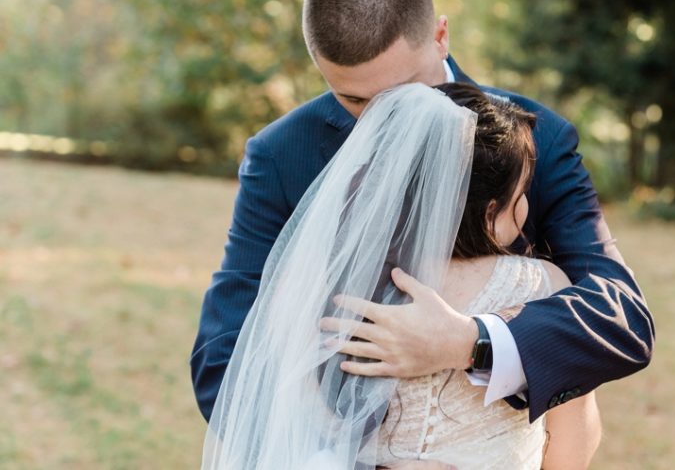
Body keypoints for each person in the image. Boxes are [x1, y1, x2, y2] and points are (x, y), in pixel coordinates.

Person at [191, 0, 653, 445]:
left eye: (406, 91)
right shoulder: (282, 154)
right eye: (355, 101)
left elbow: (621, 315)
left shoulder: (536, 138)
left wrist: (471, 343)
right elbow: (222, 356)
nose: (385, 122)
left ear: (440, 36)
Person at [201, 82, 601, 469]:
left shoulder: (325, 284)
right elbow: (571, 451)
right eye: (521, 194)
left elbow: (282, 433)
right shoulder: (540, 287)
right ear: (489, 213)